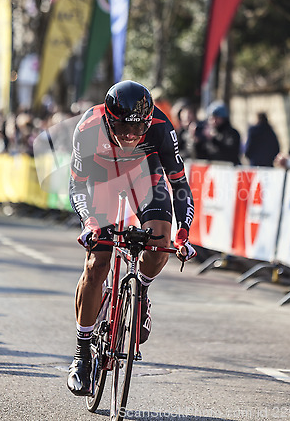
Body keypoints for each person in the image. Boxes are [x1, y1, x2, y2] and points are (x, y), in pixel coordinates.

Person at [67, 80, 196, 396]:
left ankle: (142, 290)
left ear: (148, 122)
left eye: (137, 129)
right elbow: (77, 185)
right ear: (109, 120)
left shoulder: (163, 128)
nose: (129, 135)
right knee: (97, 262)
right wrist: (91, 223)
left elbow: (179, 183)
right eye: (122, 128)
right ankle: (81, 356)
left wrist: (182, 234)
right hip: (101, 181)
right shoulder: (88, 127)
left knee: (159, 243)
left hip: (145, 179)